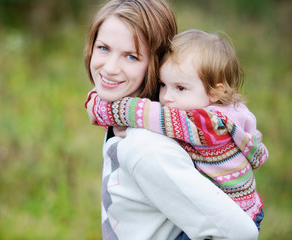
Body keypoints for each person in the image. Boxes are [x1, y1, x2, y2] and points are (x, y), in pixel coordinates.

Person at [85, 1, 259, 239]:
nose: (111, 67)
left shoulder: (147, 148)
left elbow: (241, 233)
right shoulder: (126, 118)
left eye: (131, 56)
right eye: (104, 48)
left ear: (158, 63)